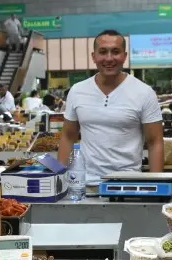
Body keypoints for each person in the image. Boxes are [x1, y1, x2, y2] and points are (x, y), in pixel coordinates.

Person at [57, 29, 164, 182]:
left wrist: (157, 185)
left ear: (124, 56)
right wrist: (60, 180)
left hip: (128, 184)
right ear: (94, 56)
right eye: (103, 52)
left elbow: (155, 142)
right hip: (84, 184)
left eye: (115, 52)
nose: (109, 58)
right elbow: (68, 137)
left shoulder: (144, 93)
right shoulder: (77, 91)